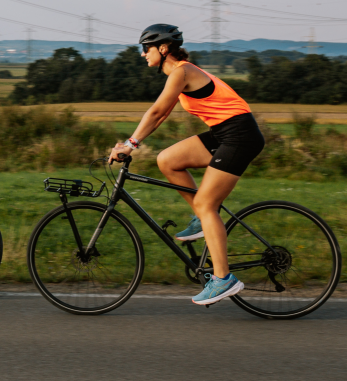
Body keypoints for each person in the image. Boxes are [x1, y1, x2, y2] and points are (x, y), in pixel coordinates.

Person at [108, 24, 266, 305]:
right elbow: (160, 115)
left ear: (163, 48)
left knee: (207, 204)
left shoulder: (181, 71)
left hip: (240, 136)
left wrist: (130, 145)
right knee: (168, 160)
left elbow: (155, 110)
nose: (143, 54)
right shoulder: (178, 75)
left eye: (146, 48)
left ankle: (223, 279)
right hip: (223, 133)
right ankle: (202, 219)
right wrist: (132, 144)